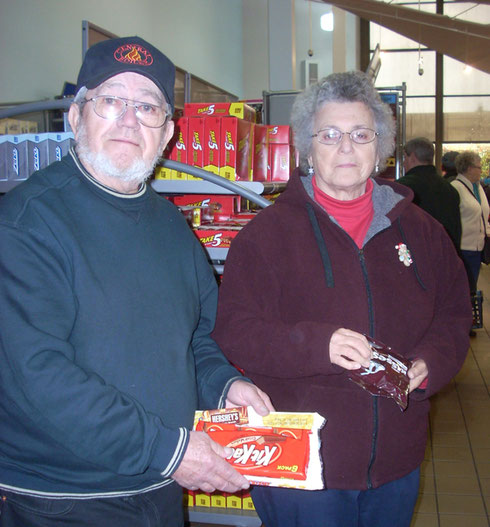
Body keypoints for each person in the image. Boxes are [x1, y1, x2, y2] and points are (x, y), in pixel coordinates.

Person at [0, 36, 273, 527]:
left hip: (159, 490)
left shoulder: (171, 227)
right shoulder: (26, 224)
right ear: (76, 116)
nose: (129, 120)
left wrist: (224, 385)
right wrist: (168, 449)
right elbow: (39, 374)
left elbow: (195, 337)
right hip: (61, 501)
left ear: (167, 133)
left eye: (147, 107)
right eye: (111, 101)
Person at [212, 71, 471, 527]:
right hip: (302, 465)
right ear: (308, 149)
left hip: (395, 461)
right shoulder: (266, 236)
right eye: (330, 135)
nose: (346, 147)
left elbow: (453, 313)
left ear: (381, 146)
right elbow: (235, 331)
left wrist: (433, 360)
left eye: (360, 134)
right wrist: (318, 345)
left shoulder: (421, 231)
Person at [398, 137, 461, 252]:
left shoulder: (402, 189)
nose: (403, 162)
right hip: (446, 257)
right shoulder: (450, 190)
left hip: (416, 258)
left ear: (412, 157)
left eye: (404, 157)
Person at [451, 151, 490, 296]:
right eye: (479, 167)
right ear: (469, 168)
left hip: (478, 247)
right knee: (464, 289)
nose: (481, 171)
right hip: (464, 248)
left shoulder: (478, 188)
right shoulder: (456, 188)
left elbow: (483, 214)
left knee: (472, 288)